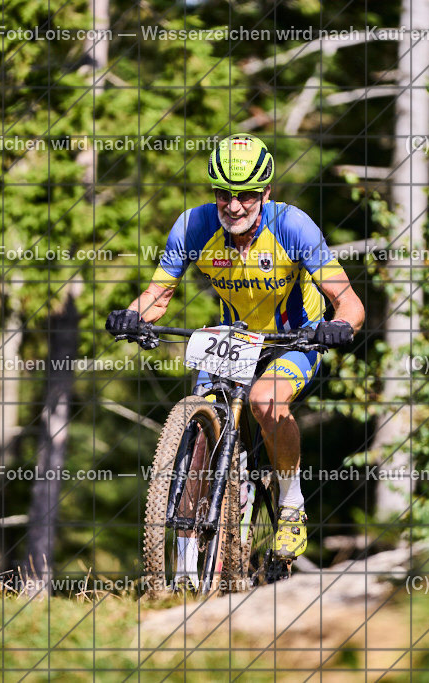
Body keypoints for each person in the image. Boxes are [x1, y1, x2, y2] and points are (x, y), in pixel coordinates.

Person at [107, 134, 365, 576]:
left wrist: (338, 327)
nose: (234, 206)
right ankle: (186, 572)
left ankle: (289, 506)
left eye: (246, 195)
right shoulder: (193, 226)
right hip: (236, 339)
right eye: (223, 193)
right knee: (199, 433)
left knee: (267, 400)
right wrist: (133, 316)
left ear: (266, 193)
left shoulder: (293, 227)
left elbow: (351, 303)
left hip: (294, 339)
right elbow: (158, 294)